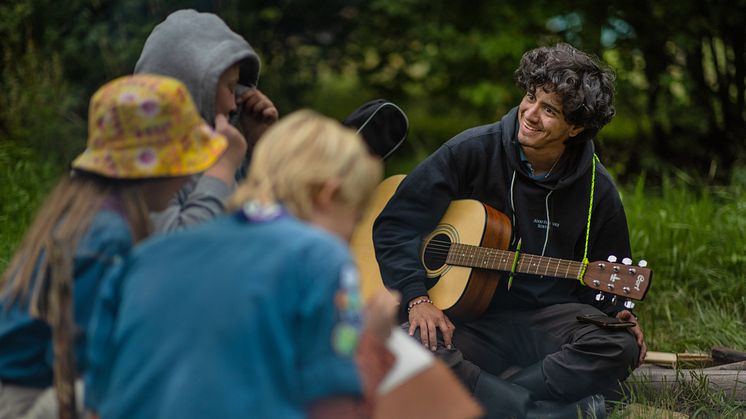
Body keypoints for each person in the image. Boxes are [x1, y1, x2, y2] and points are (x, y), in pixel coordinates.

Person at [372, 43, 647, 418]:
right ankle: (543, 412)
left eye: (549, 110)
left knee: (619, 346)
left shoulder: (598, 189)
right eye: (530, 98)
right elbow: (395, 224)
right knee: (399, 345)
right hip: (467, 320)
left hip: (545, 320)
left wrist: (616, 315)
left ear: (576, 127)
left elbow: (606, 281)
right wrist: (417, 298)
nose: (530, 114)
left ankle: (493, 398)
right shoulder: (470, 151)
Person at [84, 110, 398, 418]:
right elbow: (335, 408)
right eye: (355, 219)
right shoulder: (320, 256)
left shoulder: (148, 255)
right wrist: (371, 343)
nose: (349, 239)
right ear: (329, 194)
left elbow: (97, 399)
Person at [0, 74, 230, 418]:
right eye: (187, 163)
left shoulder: (90, 209)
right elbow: (74, 361)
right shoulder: (107, 237)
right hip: (25, 400)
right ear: (157, 169)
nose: (189, 176)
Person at [134, 9, 279, 232]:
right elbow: (177, 250)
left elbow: (267, 227)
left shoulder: (217, 151)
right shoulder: (141, 157)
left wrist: (259, 149)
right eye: (230, 88)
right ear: (194, 89)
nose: (234, 105)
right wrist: (223, 167)